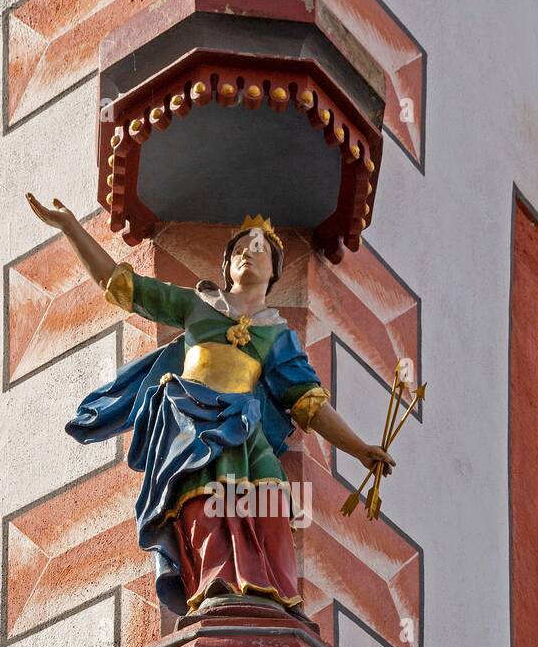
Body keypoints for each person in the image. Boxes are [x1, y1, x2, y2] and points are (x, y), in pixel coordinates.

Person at [26, 195, 394, 614]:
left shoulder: (277, 335)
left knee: (270, 502)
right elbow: (121, 285)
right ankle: (213, 590)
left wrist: (359, 448)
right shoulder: (197, 305)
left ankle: (273, 601)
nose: (248, 254)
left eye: (259, 249)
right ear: (226, 266)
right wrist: (72, 227)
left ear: (274, 270)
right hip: (191, 423)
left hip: (245, 430)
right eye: (239, 249)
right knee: (200, 505)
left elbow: (308, 403)